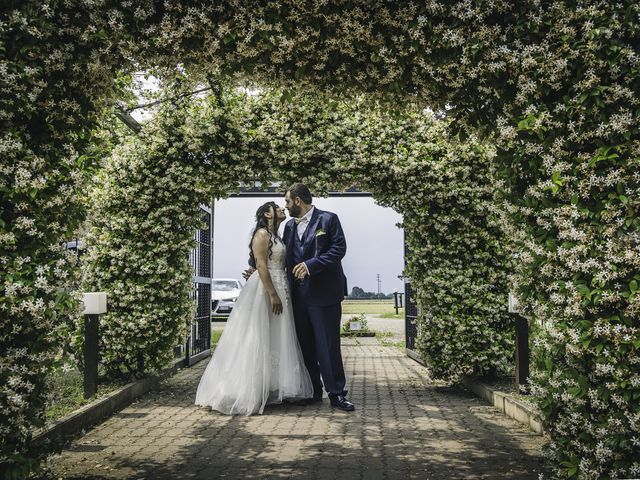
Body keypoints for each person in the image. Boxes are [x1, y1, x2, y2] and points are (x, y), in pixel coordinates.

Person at [195, 202, 313, 415]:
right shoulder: (261, 234)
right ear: (268, 214)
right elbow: (261, 265)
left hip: (280, 284)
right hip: (266, 290)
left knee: (277, 335)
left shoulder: (276, 235)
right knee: (258, 334)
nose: (282, 210)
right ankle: (250, 387)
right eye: (277, 208)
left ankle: (271, 386)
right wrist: (273, 294)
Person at [282, 183, 354, 412]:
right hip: (298, 295)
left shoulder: (329, 219)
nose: (285, 206)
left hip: (324, 294)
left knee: (328, 345)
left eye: (287, 201)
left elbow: (338, 249)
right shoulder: (289, 227)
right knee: (305, 345)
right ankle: (313, 390)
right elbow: (284, 257)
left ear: (298, 201)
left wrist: (311, 264)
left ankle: (336, 394)